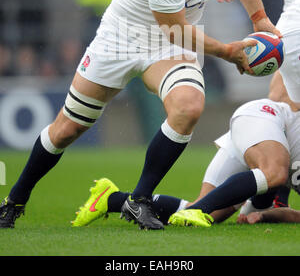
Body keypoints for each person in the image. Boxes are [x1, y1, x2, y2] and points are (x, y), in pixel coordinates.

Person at [0, 0, 279, 231]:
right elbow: (172, 24)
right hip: (123, 37)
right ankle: (14, 201)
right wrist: (228, 51)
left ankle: (139, 199)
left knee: (188, 106)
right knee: (67, 129)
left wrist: (259, 18)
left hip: (171, 44)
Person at [71, 93, 300, 228]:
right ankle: (199, 209)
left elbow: (291, 214)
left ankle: (111, 199)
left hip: (265, 140)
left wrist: (263, 215)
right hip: (265, 119)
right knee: (274, 173)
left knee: (211, 215)